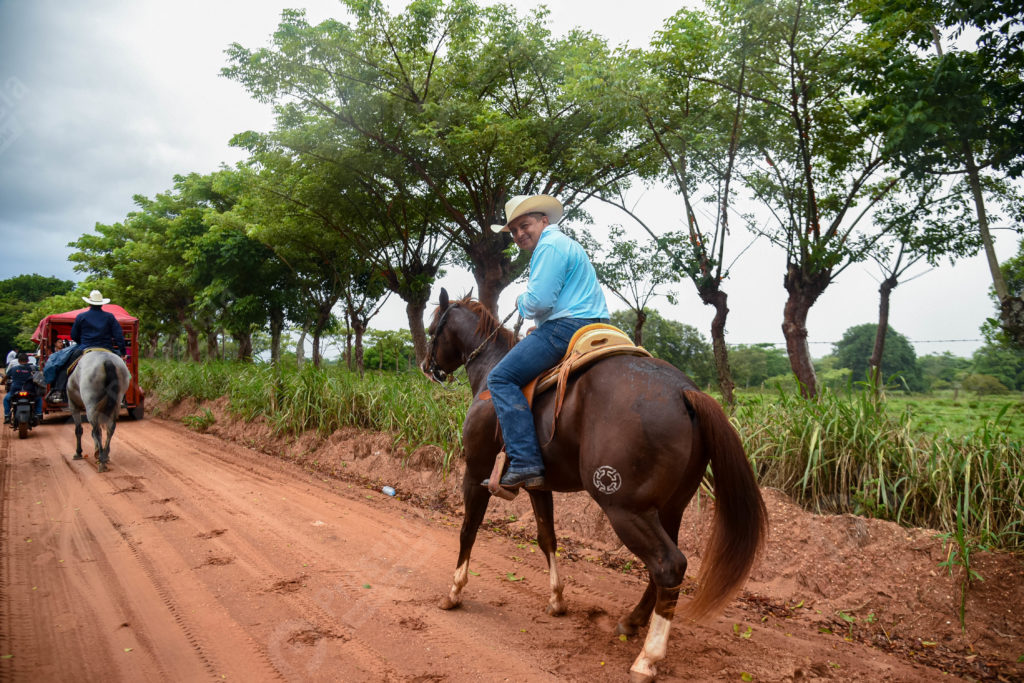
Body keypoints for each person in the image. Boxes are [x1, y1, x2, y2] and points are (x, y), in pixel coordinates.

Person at [483, 195, 609, 490]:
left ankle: (525, 463)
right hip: (595, 325)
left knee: (500, 378)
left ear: (544, 221)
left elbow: (538, 302)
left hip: (564, 328)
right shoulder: (566, 244)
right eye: (513, 231)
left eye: (524, 225)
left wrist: (520, 300)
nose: (518, 234)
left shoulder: (549, 246)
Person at [47, 290, 126, 403]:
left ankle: (58, 391)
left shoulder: (81, 316)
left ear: (89, 303)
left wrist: (82, 342)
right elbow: (118, 335)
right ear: (102, 304)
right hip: (107, 349)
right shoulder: (110, 317)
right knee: (122, 369)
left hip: (85, 348)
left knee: (65, 366)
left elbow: (74, 335)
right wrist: (122, 352)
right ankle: (122, 396)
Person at [4, 352, 42, 423]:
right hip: (30, 390)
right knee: (39, 399)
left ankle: (7, 416)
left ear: (18, 361)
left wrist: (2, 382)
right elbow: (40, 378)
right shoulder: (34, 368)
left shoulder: (13, 369)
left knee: (6, 400)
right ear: (28, 360)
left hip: (15, 390)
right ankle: (39, 414)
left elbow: (6, 377)